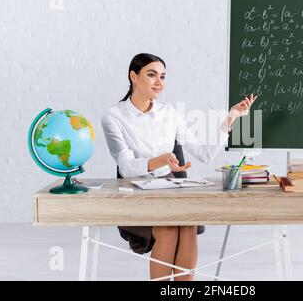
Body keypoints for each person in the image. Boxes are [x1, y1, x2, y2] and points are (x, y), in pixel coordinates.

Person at [101, 53, 257, 281]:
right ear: (133, 77)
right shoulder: (114, 116)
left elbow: (204, 153)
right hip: (135, 194)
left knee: (187, 225)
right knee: (167, 229)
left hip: (168, 190)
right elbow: (126, 167)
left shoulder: (169, 113)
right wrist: (161, 159)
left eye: (162, 76)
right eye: (151, 75)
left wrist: (231, 117)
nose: (159, 82)